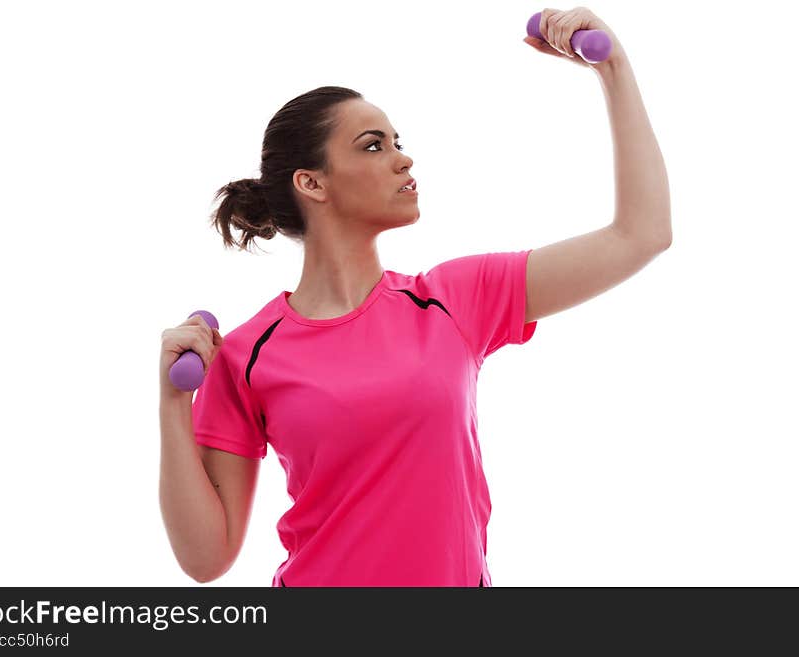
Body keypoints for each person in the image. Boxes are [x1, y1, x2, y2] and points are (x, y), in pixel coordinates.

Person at [158, 7, 672, 586]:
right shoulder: (247, 354)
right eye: (373, 146)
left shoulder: (454, 299)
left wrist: (615, 69)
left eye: (398, 141)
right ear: (312, 182)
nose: (404, 157)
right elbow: (206, 560)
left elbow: (642, 234)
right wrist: (172, 404)